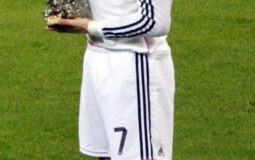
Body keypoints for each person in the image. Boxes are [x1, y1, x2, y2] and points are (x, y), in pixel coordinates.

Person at [47, 0, 175, 159]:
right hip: (97, 55)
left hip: (134, 67)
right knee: (106, 154)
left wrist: (91, 26)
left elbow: (154, 22)